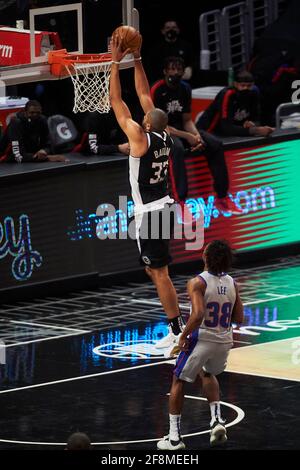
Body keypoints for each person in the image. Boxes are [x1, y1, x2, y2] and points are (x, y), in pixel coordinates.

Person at [109, 32, 185, 351]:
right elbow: (143, 92)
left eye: (143, 118)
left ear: (146, 124)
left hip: (150, 213)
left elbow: (118, 103)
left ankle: (176, 329)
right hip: (164, 206)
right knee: (153, 269)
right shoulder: (165, 135)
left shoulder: (141, 137)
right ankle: (176, 323)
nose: (140, 116)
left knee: (160, 272)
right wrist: (137, 59)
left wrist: (115, 63)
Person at [157, 240, 244, 450]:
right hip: (224, 341)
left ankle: (174, 438)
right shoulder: (233, 283)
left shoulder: (197, 282)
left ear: (206, 257)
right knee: (207, 373)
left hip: (202, 338)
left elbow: (197, 314)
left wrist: (183, 336)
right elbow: (239, 317)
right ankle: (216, 420)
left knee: (178, 380)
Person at [151, 57, 242, 215]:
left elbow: (186, 120)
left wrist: (197, 136)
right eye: (172, 69)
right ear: (165, 71)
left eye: (179, 69)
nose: (176, 72)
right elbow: (159, 125)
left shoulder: (185, 88)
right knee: (177, 148)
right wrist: (187, 136)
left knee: (215, 144)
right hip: (159, 132)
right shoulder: (157, 90)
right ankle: (180, 202)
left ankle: (222, 197)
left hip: (180, 129)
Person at [196, 70, 274, 137]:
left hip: (234, 134)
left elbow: (256, 118)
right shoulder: (228, 94)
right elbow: (226, 128)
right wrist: (256, 130)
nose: (246, 88)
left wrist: (252, 124)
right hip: (209, 131)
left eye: (249, 86)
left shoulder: (254, 92)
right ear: (235, 84)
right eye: (242, 85)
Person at [0, 100, 68, 163]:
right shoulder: (16, 123)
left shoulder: (43, 120)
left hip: (30, 157)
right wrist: (43, 157)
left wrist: (44, 151)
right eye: (32, 113)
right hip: (7, 160)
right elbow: (17, 155)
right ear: (25, 112)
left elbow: (49, 142)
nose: (35, 115)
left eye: (38, 113)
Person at [147, 19, 193, 84]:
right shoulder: (156, 48)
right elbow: (152, 67)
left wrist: (189, 69)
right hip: (162, 81)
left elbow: (191, 62)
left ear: (178, 30)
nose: (171, 30)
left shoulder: (186, 46)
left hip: (182, 81)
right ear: (163, 31)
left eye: (174, 27)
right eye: (168, 28)